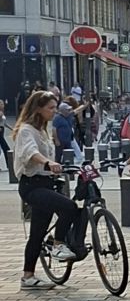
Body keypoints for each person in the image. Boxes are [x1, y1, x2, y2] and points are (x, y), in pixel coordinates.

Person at [12, 89, 89, 290]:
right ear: (38, 108)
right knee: (69, 207)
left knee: (37, 233)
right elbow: (30, 152)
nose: (54, 111)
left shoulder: (42, 129)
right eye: (51, 108)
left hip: (46, 183)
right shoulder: (26, 130)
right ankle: (58, 244)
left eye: (55, 107)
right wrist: (48, 162)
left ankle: (28, 276)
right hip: (32, 185)